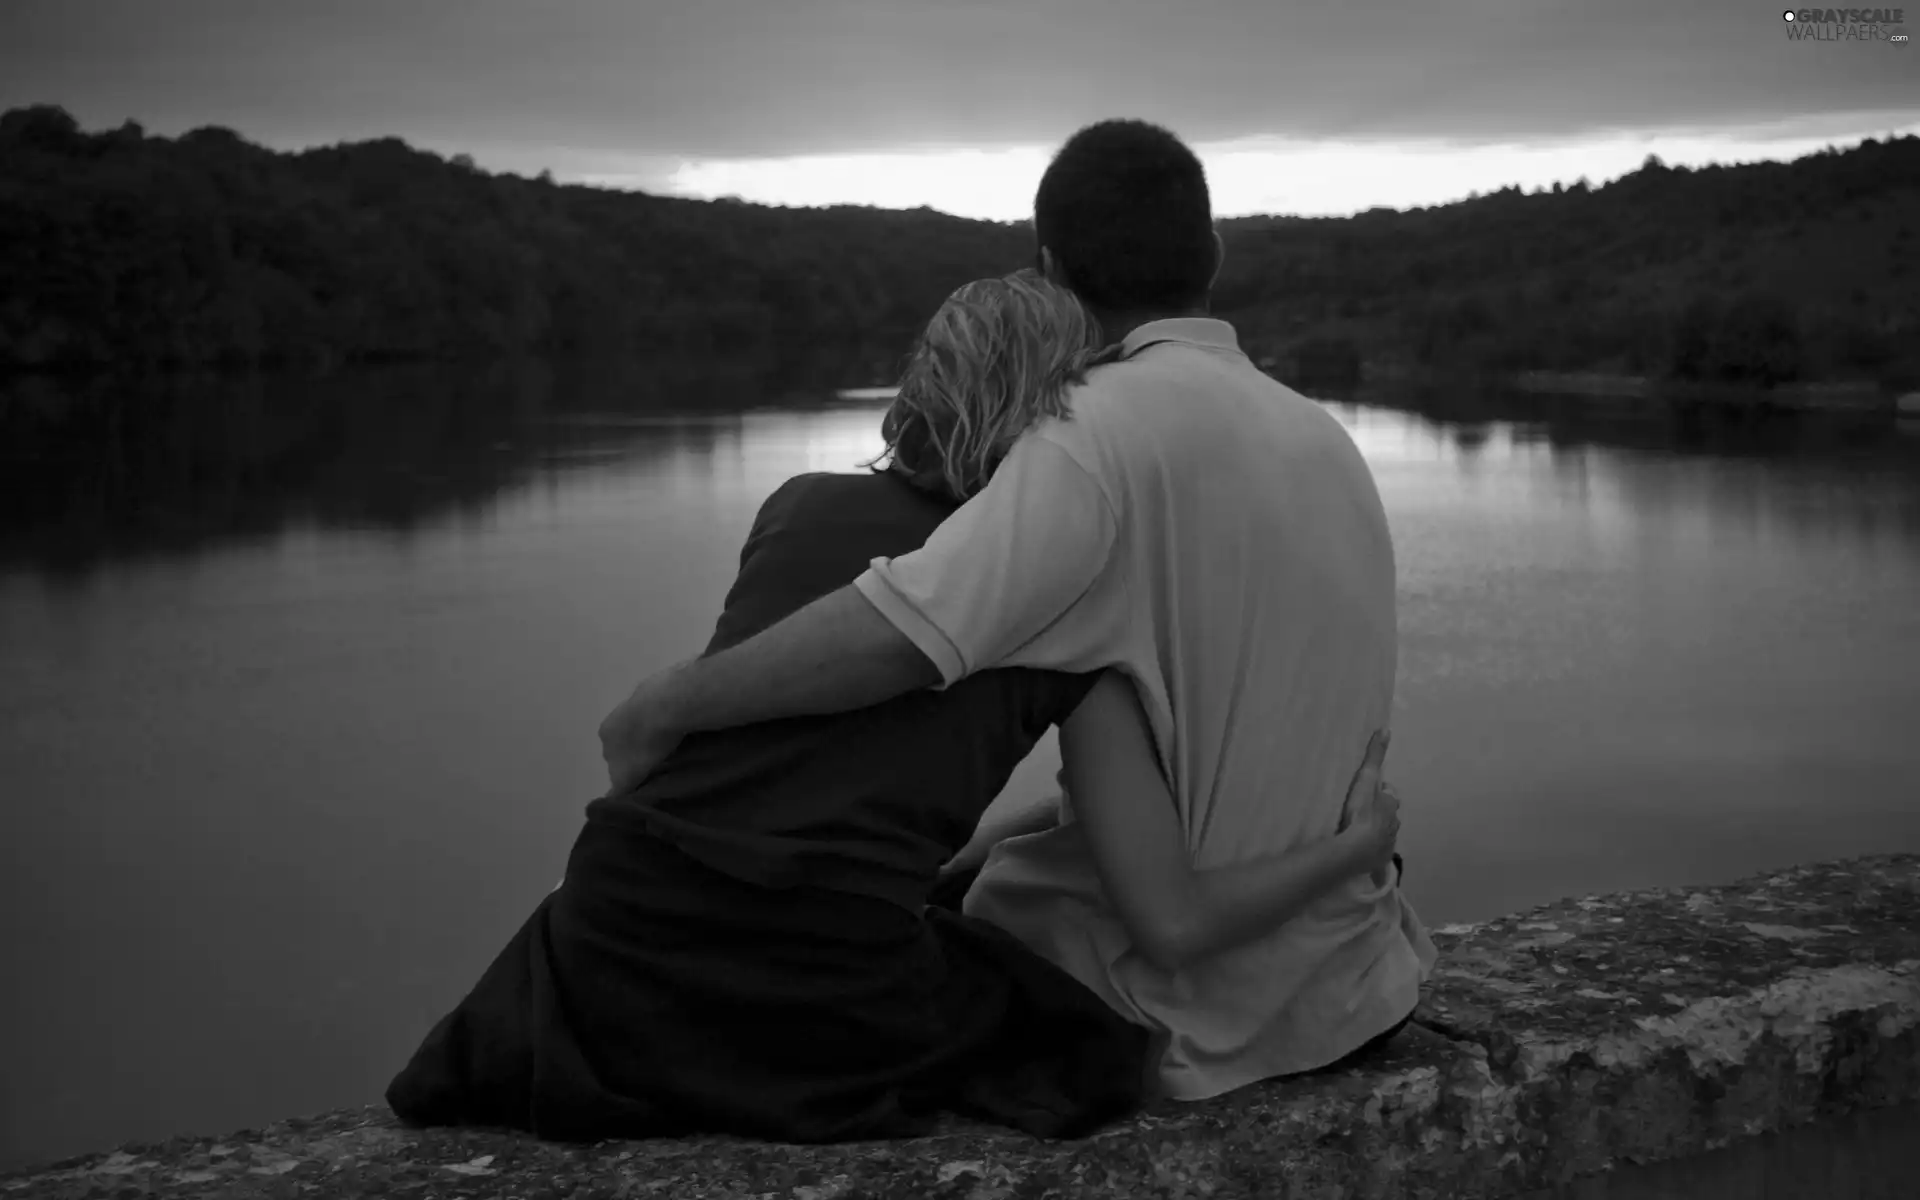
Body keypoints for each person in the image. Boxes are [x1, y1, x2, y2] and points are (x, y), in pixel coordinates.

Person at [387, 271, 1402, 1145]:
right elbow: (1170, 919)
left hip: (609, 936)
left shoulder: (798, 507)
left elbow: (807, 775)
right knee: (1081, 1045)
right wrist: (1356, 847)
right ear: (1070, 408)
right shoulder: (1064, 602)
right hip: (813, 986)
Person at [597, 119, 1439, 1103]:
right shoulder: (1325, 441)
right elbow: (1192, 767)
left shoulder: (1095, 435)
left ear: (1048, 268)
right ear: (1211, 254)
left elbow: (905, 628)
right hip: (1352, 988)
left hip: (1188, 1022)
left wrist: (668, 704)